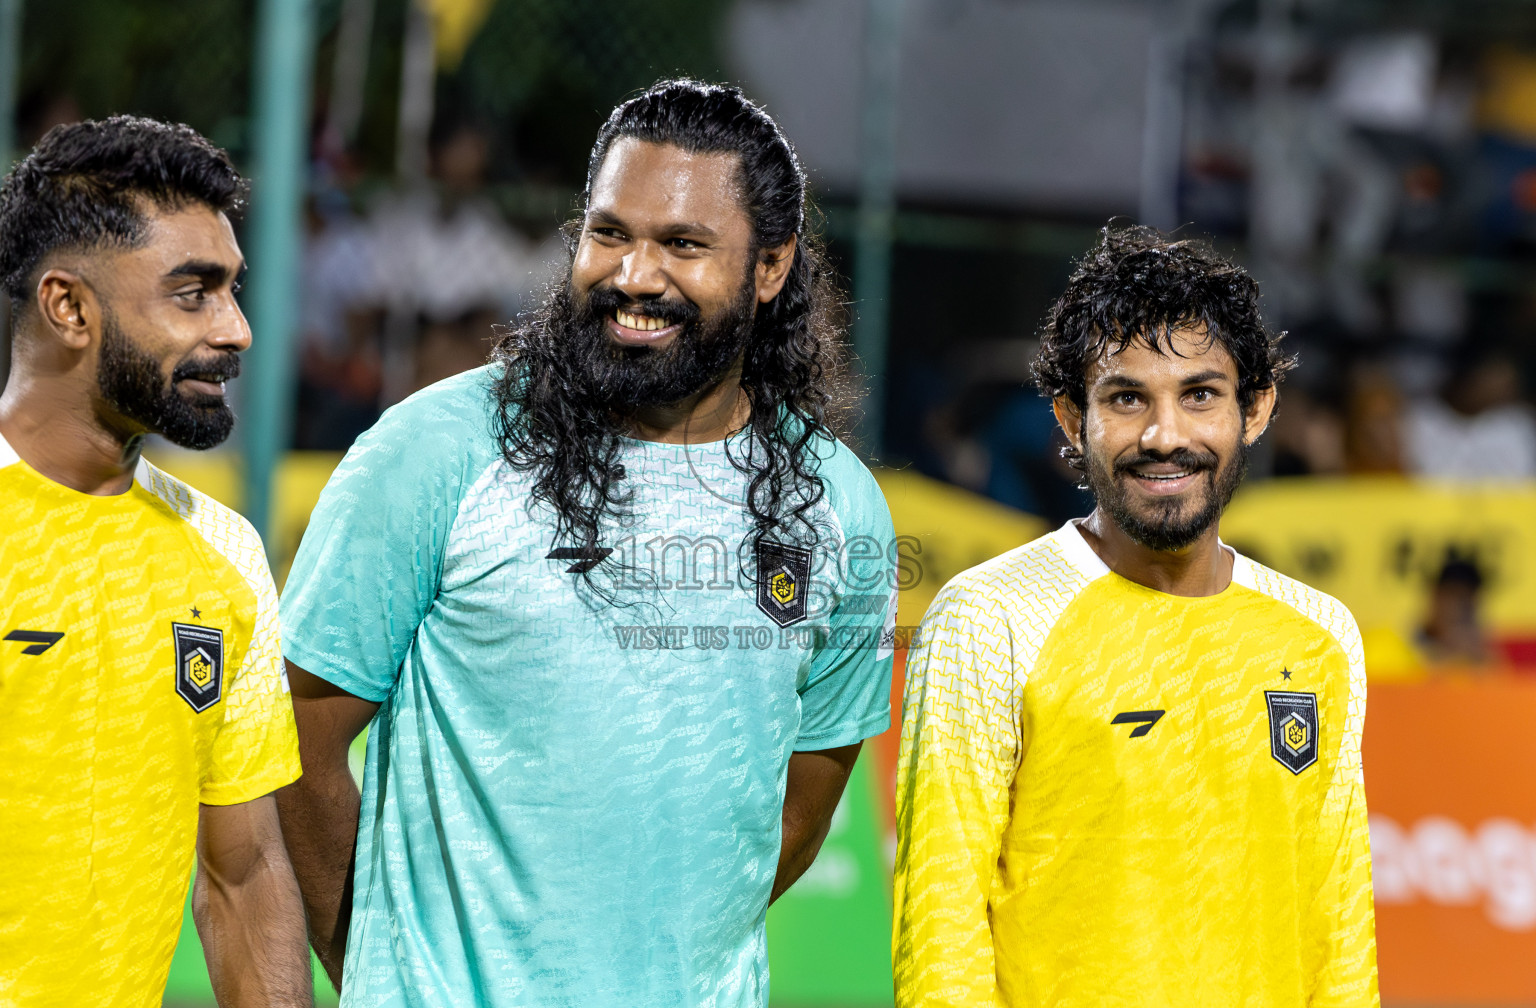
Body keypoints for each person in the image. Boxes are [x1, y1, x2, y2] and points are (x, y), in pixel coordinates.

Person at [277, 79, 897, 1007]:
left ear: (770, 269)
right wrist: (381, 969)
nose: (635, 276)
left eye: (683, 245)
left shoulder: (840, 508)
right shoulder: (435, 452)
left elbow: (804, 797)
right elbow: (290, 742)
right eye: (610, 233)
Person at [893, 225, 1378, 1006]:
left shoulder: (1320, 634)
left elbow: (1339, 924)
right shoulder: (990, 619)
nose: (1164, 436)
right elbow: (940, 931)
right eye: (1126, 398)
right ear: (1067, 418)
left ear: (1255, 410)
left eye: (1199, 395)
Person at [0, 117, 310, 1006]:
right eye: (193, 293)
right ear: (69, 307)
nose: (238, 329)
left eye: (233, 290)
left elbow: (243, 876)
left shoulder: (225, 553)